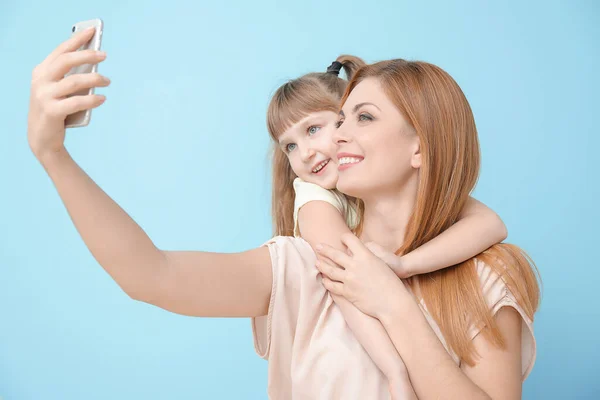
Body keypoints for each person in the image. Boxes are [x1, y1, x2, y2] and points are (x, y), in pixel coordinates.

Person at [27, 28, 539, 399]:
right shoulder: (301, 265)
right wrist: (55, 156)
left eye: (361, 118)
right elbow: (149, 274)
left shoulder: (485, 276)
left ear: (421, 147)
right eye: (337, 119)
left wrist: (394, 301)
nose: (335, 135)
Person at [267, 55, 509, 398]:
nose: (305, 153)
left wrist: (405, 266)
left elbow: (491, 223)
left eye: (316, 129)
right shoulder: (313, 196)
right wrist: (394, 370)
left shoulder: (488, 279)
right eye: (289, 146)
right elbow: (344, 280)